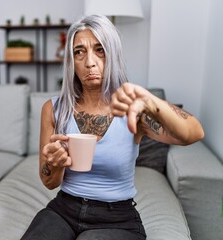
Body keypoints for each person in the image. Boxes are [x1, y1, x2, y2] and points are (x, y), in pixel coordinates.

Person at [21, 15, 204, 240]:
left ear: (113, 55)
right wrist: (54, 164)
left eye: (100, 50)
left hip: (117, 217)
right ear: (71, 61)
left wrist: (149, 100)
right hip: (64, 209)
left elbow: (194, 132)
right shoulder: (53, 109)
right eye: (79, 52)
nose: (89, 62)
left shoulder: (133, 110)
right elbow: (49, 182)